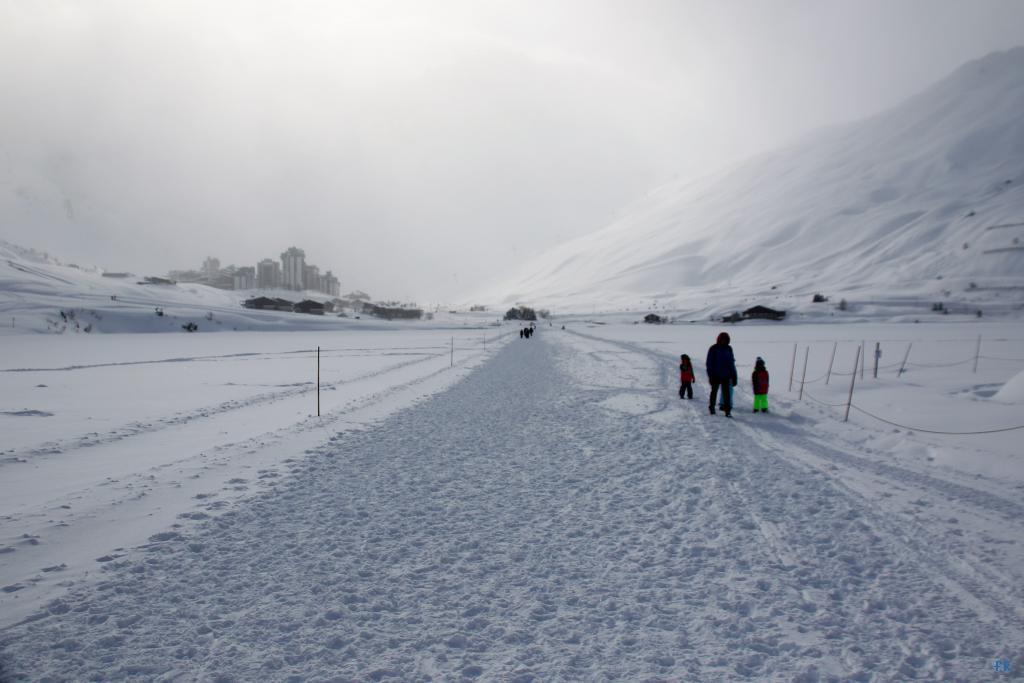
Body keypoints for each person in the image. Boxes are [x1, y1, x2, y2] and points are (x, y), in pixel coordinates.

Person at [706, 332, 737, 416]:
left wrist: (734, 376)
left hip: (726, 375)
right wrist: (710, 375)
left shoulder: (729, 349)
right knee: (714, 392)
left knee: (726, 394)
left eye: (726, 339)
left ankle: (727, 411)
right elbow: (709, 363)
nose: (724, 341)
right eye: (722, 339)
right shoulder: (713, 348)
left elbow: (731, 363)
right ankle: (712, 408)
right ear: (719, 339)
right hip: (715, 375)